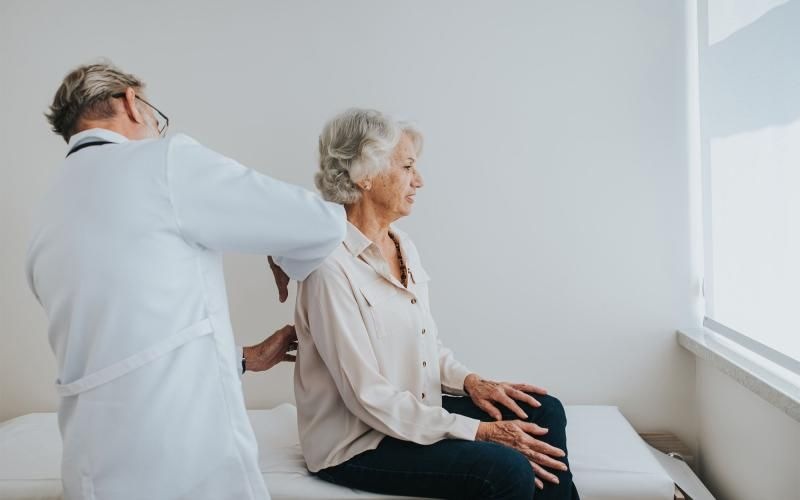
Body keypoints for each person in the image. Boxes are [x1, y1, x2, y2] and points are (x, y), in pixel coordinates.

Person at [25, 62, 346, 500]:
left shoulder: (47, 211)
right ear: (131, 103)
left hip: (88, 470)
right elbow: (321, 224)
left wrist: (241, 359)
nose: (158, 127)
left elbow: (118, 346)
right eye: (157, 114)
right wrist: (279, 250)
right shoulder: (163, 161)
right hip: (179, 462)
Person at [294, 108, 580, 499]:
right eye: (408, 167)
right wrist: (480, 431)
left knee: (545, 411)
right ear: (364, 174)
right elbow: (366, 397)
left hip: (412, 414)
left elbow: (424, 344)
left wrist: (471, 382)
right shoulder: (329, 269)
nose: (420, 181)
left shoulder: (402, 245)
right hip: (358, 441)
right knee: (506, 468)